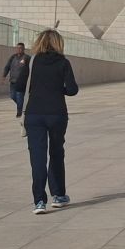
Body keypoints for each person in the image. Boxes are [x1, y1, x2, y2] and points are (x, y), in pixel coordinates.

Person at [21, 29, 78, 214]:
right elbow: (72, 90)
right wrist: (58, 89)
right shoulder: (63, 62)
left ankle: (39, 201)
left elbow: (21, 85)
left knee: (37, 157)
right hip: (56, 114)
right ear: (59, 43)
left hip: (34, 114)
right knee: (56, 153)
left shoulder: (32, 62)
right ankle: (59, 195)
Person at [2, 42, 30, 117]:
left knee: (19, 96)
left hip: (22, 82)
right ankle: (24, 107)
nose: (19, 49)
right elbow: (7, 66)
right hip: (13, 81)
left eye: (20, 48)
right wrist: (4, 76)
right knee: (13, 96)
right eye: (17, 48)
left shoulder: (27, 58)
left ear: (23, 49)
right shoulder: (13, 57)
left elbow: (31, 68)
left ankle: (19, 112)